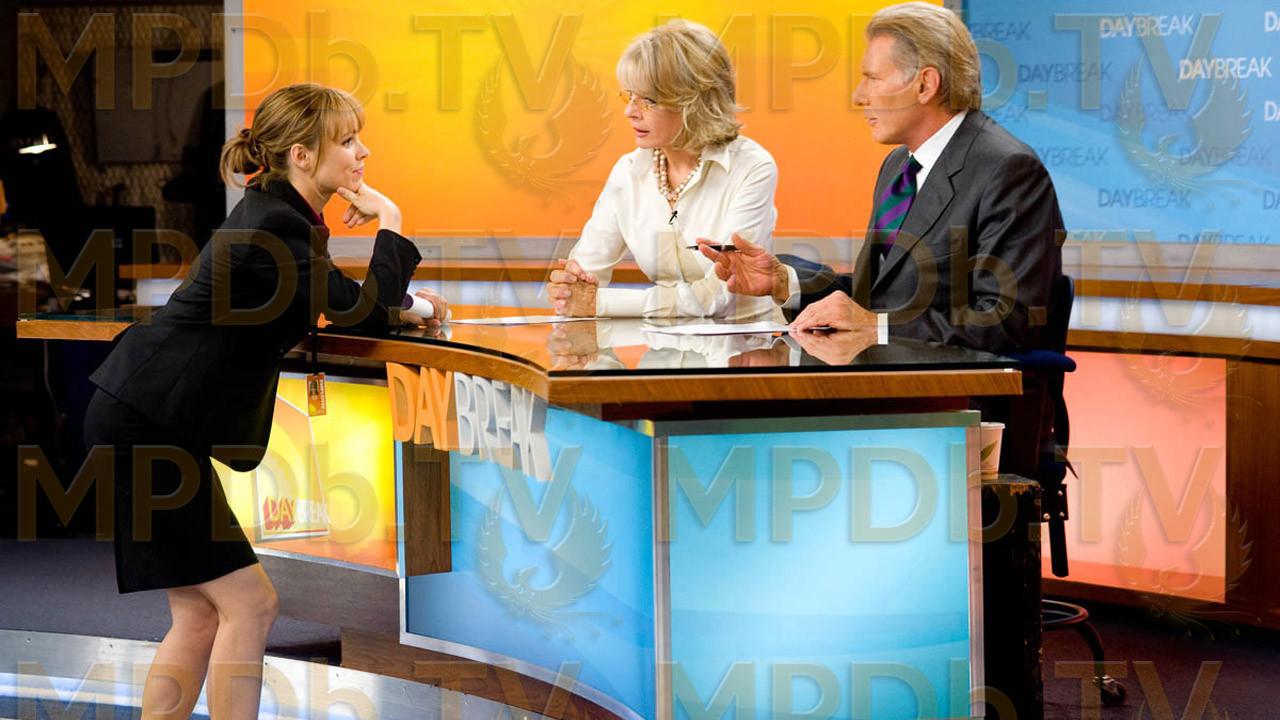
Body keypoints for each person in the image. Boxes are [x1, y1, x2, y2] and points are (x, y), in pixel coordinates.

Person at [82, 83, 446, 719]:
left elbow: (338, 299)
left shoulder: (277, 214)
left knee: (199, 614)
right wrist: (391, 221)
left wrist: (412, 306)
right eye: (347, 140)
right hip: (149, 426)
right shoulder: (277, 224)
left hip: (139, 416)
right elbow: (360, 313)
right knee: (251, 605)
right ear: (302, 155)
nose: (363, 152)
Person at [700, 1, 1064, 356]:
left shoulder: (1008, 171)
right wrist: (784, 283)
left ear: (925, 85)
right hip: (884, 377)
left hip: (958, 390)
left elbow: (1008, 321)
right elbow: (876, 297)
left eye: (872, 78)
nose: (858, 96)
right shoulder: (898, 165)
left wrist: (878, 327)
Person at [546, 19, 783, 322]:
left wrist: (602, 303)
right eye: (628, 96)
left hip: (748, 343)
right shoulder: (628, 172)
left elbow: (721, 294)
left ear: (694, 102)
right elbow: (585, 276)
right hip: (662, 344)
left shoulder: (752, 167)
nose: (629, 112)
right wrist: (569, 289)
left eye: (648, 100)